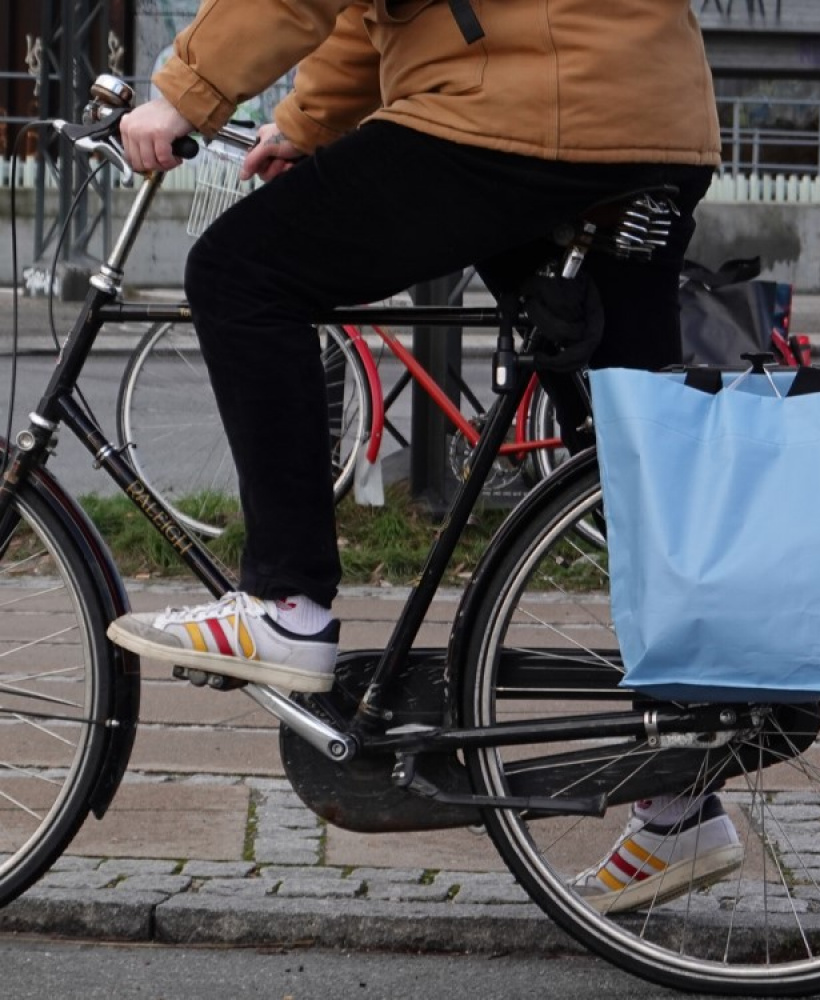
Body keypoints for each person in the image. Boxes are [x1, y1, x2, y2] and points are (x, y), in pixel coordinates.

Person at [107, 0, 740, 912]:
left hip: (521, 107)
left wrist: (184, 94)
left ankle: (285, 606)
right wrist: (305, 124)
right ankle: (684, 798)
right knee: (626, 459)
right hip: (645, 116)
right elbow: (391, 12)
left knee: (240, 272)